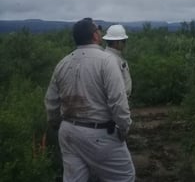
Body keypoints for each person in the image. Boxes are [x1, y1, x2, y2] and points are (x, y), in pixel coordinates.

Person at [44, 17, 135, 182]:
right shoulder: (106, 61)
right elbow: (117, 101)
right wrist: (124, 128)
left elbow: (51, 102)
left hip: (68, 133)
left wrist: (56, 124)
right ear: (95, 36)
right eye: (97, 30)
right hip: (99, 133)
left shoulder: (63, 63)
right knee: (125, 177)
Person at [102, 24, 132, 99]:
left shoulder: (114, 57)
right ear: (116, 42)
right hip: (117, 102)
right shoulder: (110, 59)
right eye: (123, 41)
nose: (125, 44)